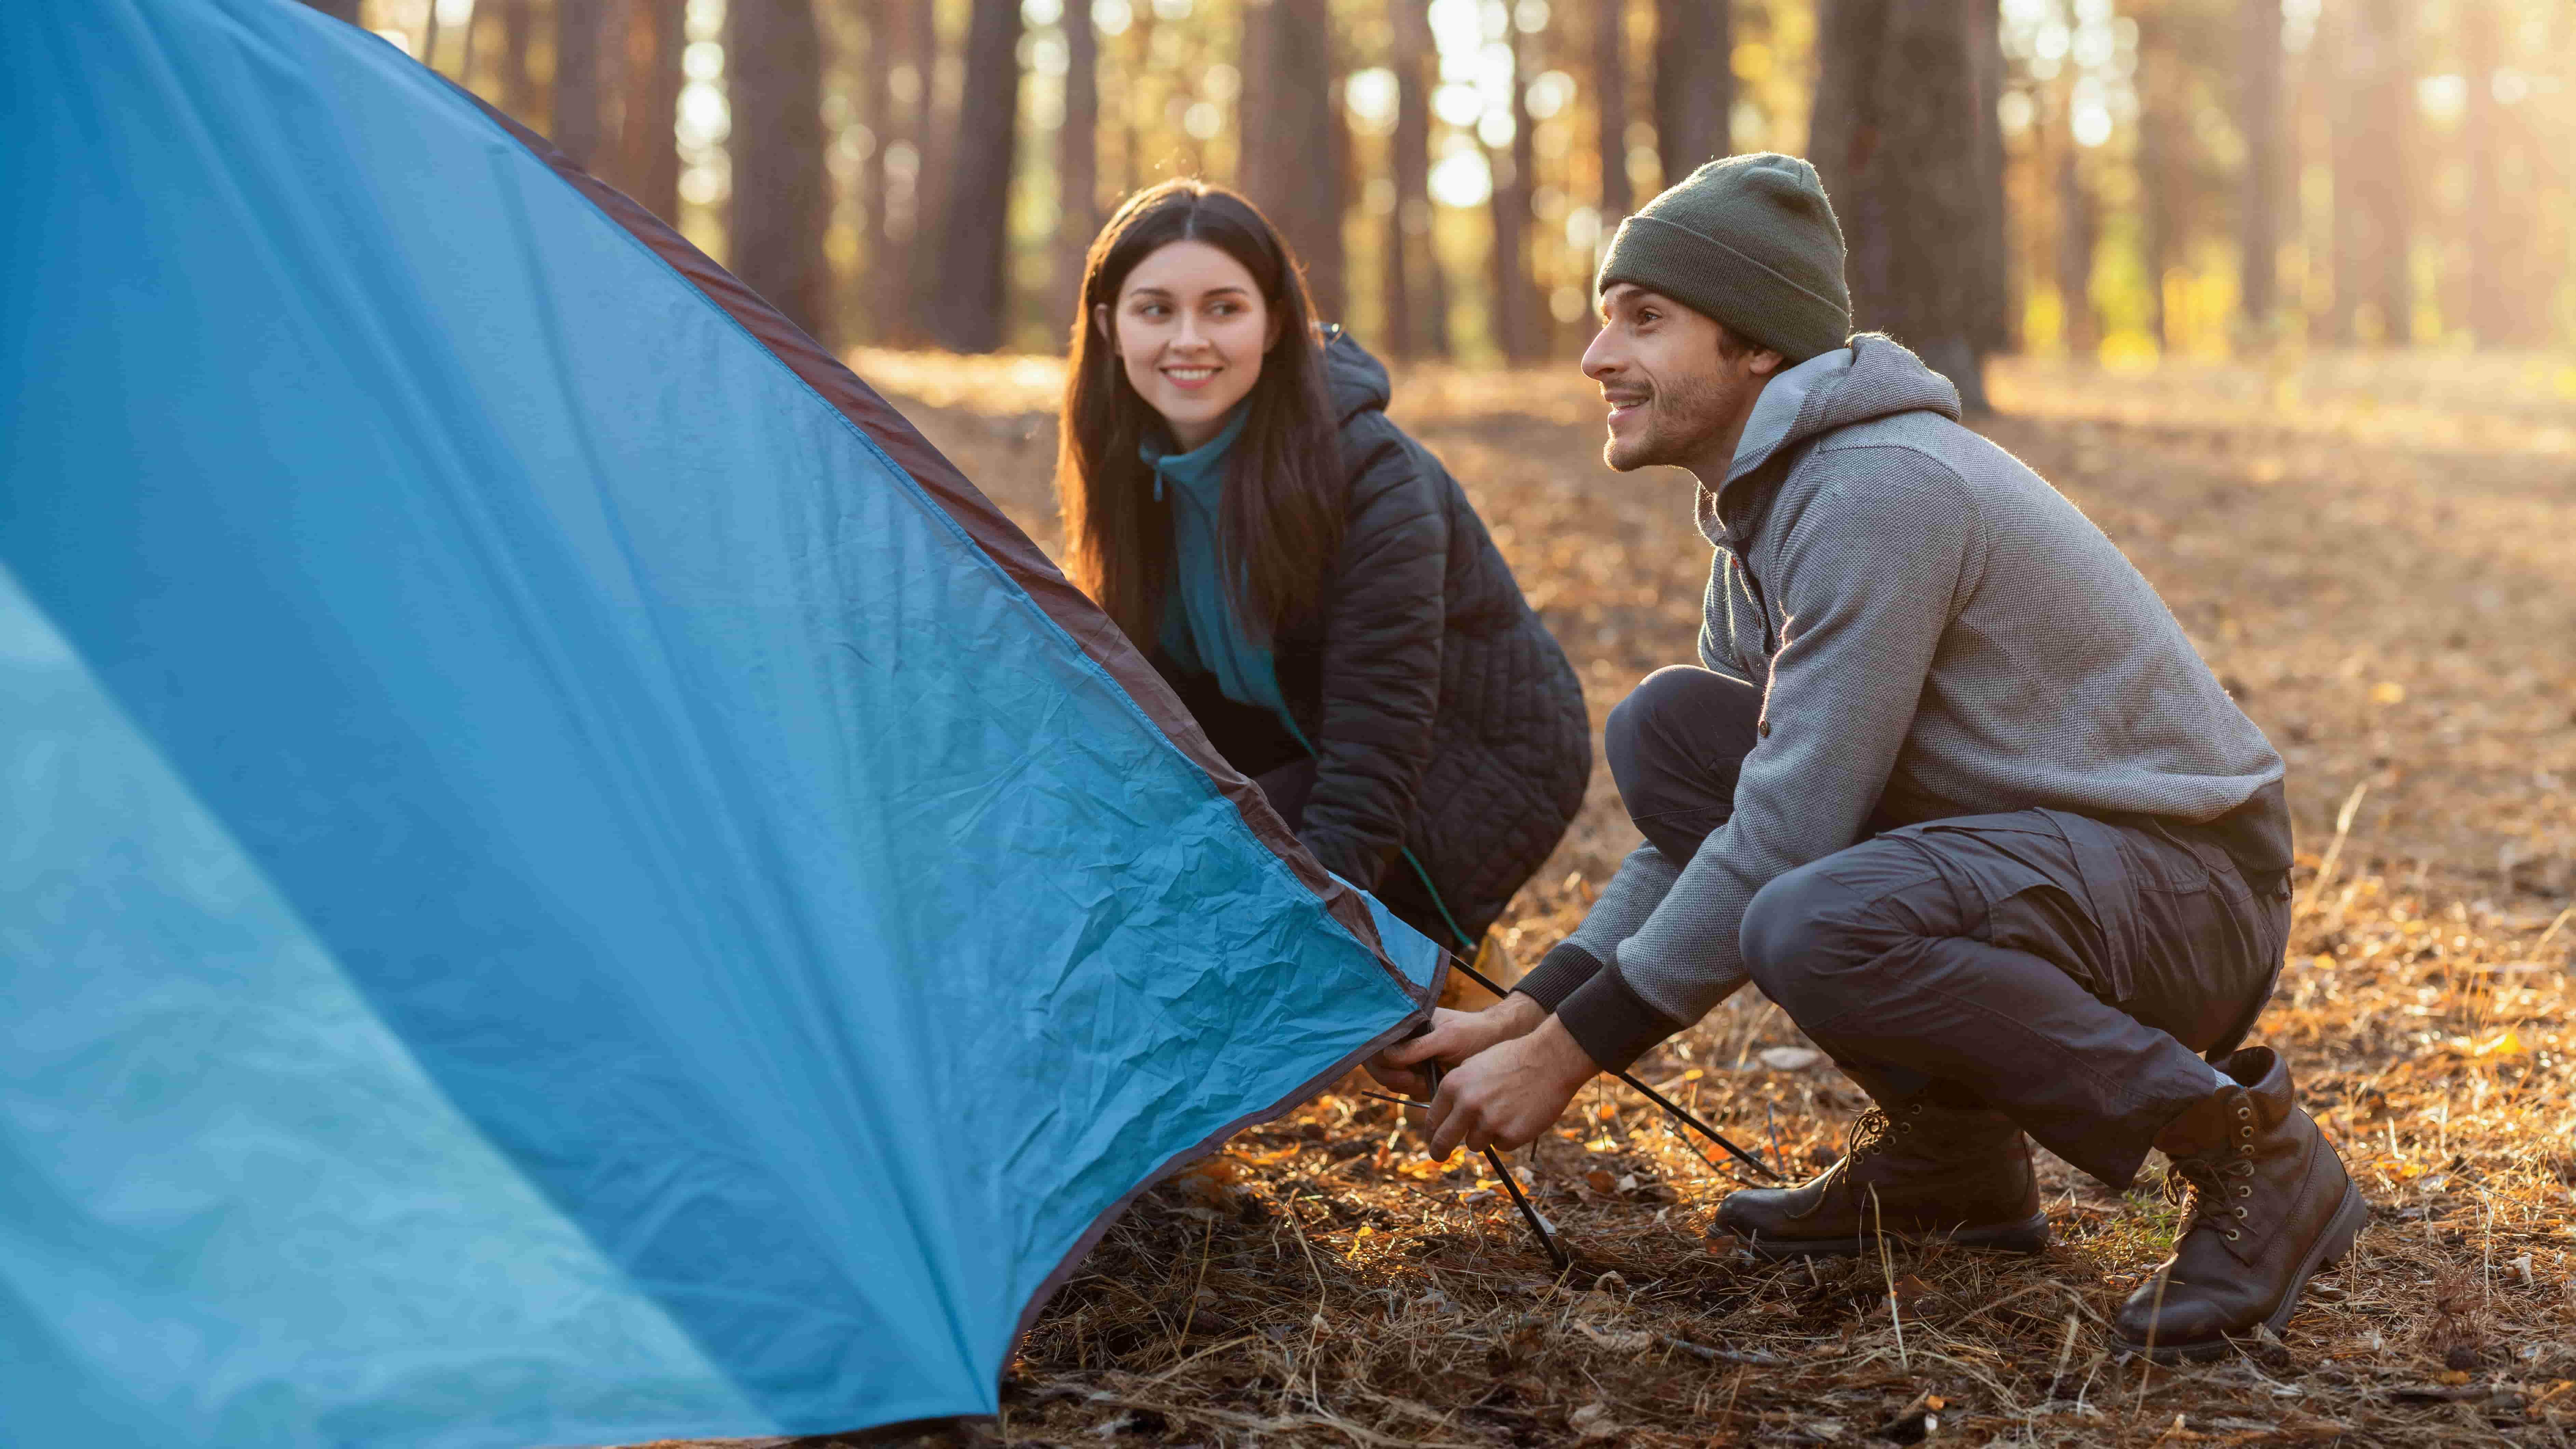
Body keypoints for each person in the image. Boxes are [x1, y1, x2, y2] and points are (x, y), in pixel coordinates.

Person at [1373, 153, 2362, 1361]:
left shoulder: (1874, 490)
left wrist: (1564, 1062)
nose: (1596, 358)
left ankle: (2245, 1147)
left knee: (1810, 919)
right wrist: (1525, 1012)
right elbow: (1723, 824)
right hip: (2053, 867)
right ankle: (1953, 1166)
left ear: (1755, 351)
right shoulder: (1763, 507)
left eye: (1644, 319)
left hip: (2182, 888)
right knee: (1674, 740)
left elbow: (1786, 837)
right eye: (1602, 319)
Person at [1056, 179, 1589, 952]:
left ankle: (1440, 975)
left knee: (1207, 913)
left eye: (1223, 308)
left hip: (1466, 759)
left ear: (1276, 323)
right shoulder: (1128, 471)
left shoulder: (1370, 473)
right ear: (1109, 327)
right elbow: (1142, 716)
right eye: (1155, 310)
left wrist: (1302, 935)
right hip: (1291, 736)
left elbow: (1377, 745)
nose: (1188, 339)